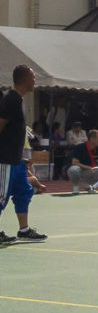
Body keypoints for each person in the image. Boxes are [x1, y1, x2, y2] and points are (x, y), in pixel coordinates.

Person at [0, 65, 47, 243]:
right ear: (24, 79)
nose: (35, 80)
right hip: (4, 159)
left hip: (16, 159)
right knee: (1, 194)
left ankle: (24, 230)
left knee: (24, 191)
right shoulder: (10, 100)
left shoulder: (18, 100)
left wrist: (20, 157)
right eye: (33, 77)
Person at [67, 129, 98, 195]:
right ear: (92, 139)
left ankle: (91, 186)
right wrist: (87, 167)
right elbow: (75, 163)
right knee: (73, 170)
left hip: (89, 171)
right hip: (80, 170)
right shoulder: (79, 147)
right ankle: (76, 186)